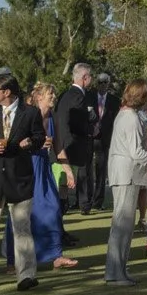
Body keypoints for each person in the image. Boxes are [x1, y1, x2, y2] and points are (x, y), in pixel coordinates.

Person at [0, 69, 47, 291]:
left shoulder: (30, 112)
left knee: (22, 228)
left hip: (20, 177)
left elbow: (39, 138)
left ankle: (26, 275)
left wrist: (29, 144)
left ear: (7, 91)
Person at [10, 82, 73, 271]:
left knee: (53, 208)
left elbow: (59, 147)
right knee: (22, 213)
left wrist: (68, 170)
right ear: (39, 97)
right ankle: (13, 260)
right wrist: (33, 142)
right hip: (27, 166)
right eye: (50, 94)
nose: (53, 96)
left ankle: (55, 255)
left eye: (53, 93)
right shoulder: (27, 115)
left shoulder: (53, 118)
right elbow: (16, 141)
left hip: (44, 168)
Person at [103, 81, 147, 284]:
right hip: (126, 174)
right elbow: (137, 152)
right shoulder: (130, 117)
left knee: (124, 224)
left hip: (125, 173)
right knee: (122, 224)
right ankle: (115, 272)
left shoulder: (126, 115)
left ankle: (118, 270)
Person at [52, 62, 95, 221]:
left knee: (62, 190)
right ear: (85, 77)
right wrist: (91, 125)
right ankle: (57, 230)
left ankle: (59, 230)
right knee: (60, 190)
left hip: (64, 148)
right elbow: (78, 123)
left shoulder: (66, 94)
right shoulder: (78, 97)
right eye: (91, 76)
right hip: (68, 150)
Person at [90, 73, 120, 213]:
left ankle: (98, 201)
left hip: (105, 139)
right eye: (100, 82)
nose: (102, 84)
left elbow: (116, 121)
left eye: (105, 82)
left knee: (101, 170)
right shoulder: (88, 97)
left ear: (108, 83)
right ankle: (83, 200)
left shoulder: (115, 101)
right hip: (89, 137)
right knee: (85, 169)